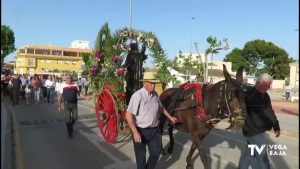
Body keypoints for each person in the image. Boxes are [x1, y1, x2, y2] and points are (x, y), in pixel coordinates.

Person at [125, 72, 177, 169]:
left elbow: (161, 108)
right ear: (145, 83)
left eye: (154, 83)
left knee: (155, 154)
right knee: (141, 161)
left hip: (154, 131)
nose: (153, 85)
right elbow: (128, 115)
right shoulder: (138, 96)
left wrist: (170, 117)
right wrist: (135, 132)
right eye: (151, 83)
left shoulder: (155, 94)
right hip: (140, 131)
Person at [239, 73, 280, 169]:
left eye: (269, 85)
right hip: (253, 131)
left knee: (249, 155)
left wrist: (276, 126)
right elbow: (239, 109)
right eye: (266, 85)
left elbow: (270, 111)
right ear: (258, 83)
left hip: (256, 130)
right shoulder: (249, 94)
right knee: (262, 157)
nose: (268, 88)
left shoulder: (265, 95)